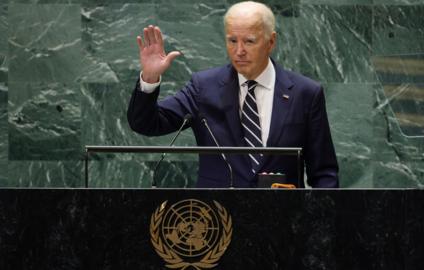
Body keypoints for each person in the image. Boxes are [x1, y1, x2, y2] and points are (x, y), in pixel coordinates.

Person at [127, 1, 338, 188]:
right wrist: (150, 78)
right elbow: (146, 123)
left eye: (249, 41)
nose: (239, 51)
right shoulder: (204, 87)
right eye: (232, 41)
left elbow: (324, 174)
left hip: (285, 221)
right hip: (216, 221)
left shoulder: (305, 93)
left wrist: (317, 225)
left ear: (271, 42)